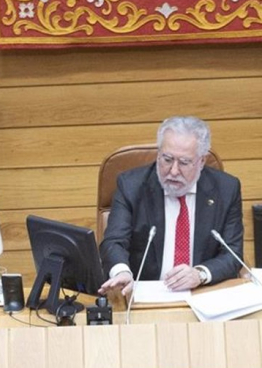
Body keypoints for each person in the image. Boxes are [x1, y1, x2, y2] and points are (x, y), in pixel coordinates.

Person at [99, 116, 244, 298]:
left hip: (202, 294)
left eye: (184, 162)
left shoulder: (226, 189)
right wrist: (122, 272)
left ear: (201, 161)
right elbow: (114, 241)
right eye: (167, 159)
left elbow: (232, 254)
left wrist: (200, 274)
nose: (174, 171)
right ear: (158, 154)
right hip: (143, 294)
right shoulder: (131, 186)